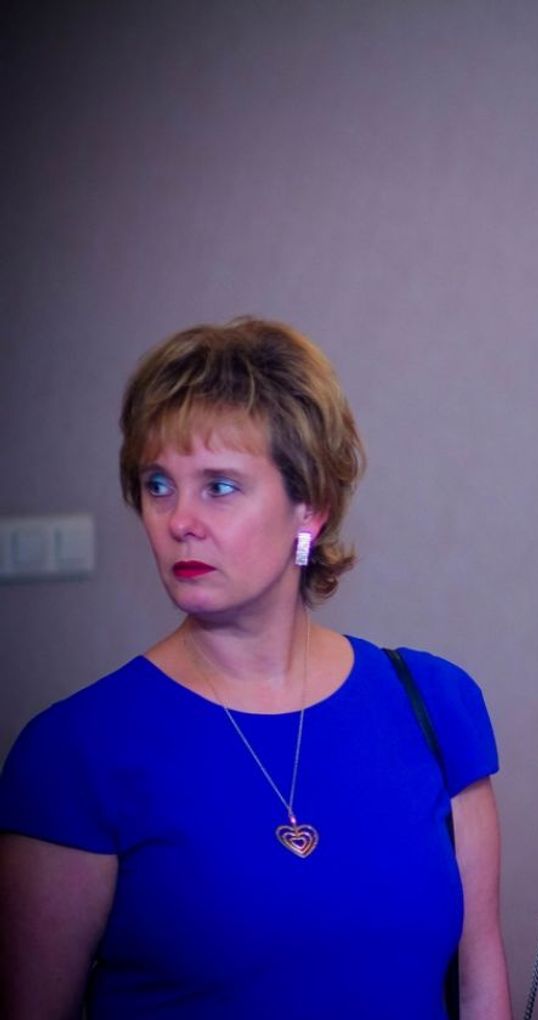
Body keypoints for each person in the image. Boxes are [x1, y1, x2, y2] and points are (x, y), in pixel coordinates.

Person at [0, 319, 510, 1019]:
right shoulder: (74, 751)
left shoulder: (434, 704)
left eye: (218, 486)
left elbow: (482, 989)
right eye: (157, 485)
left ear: (310, 508)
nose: (179, 520)